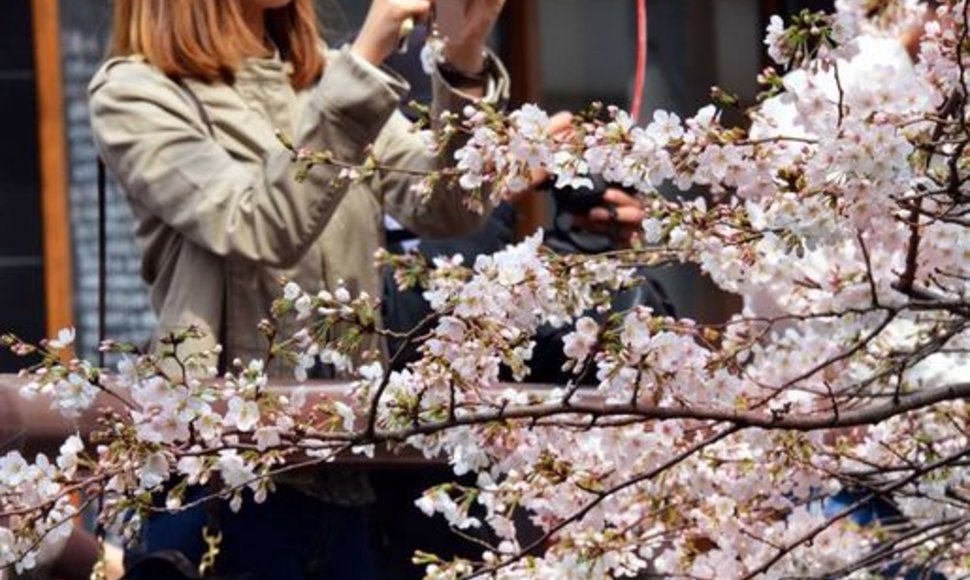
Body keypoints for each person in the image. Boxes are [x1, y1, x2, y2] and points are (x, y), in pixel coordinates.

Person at [89, 0, 509, 578]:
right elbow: (256, 222)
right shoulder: (137, 92)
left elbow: (444, 206)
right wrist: (365, 60)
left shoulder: (325, 78)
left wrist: (463, 56)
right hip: (223, 483)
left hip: (349, 478)